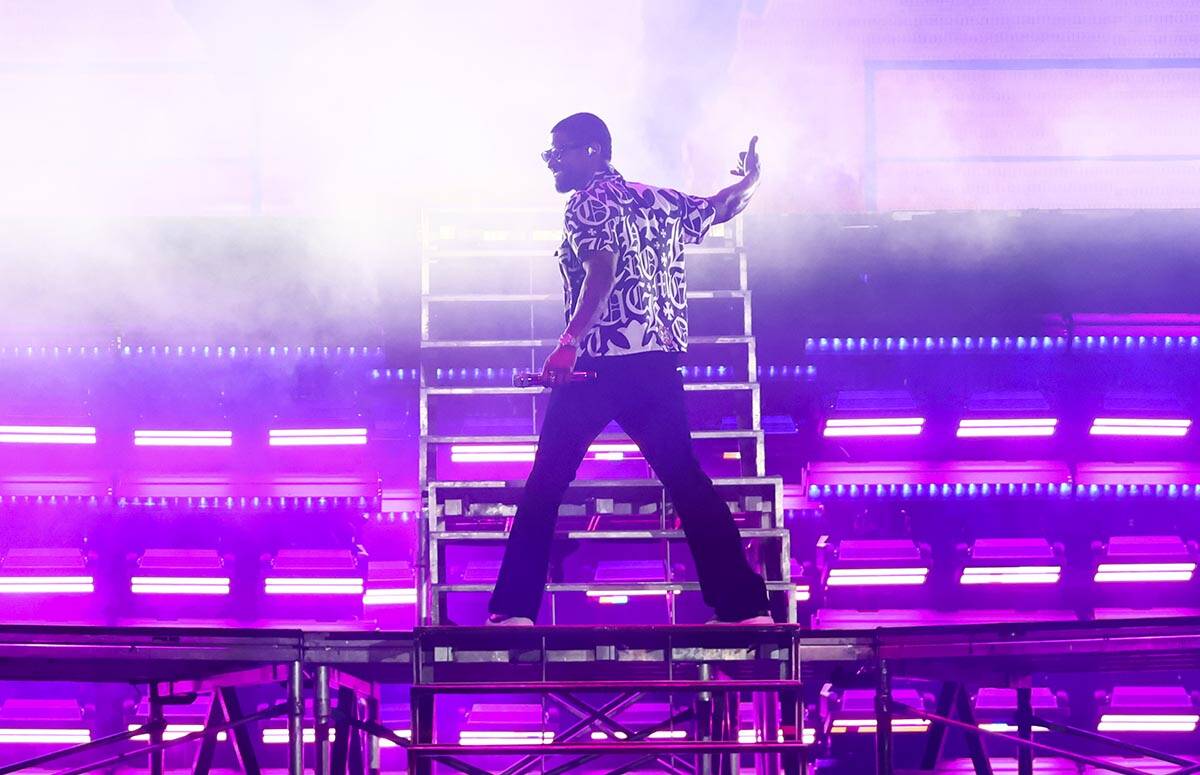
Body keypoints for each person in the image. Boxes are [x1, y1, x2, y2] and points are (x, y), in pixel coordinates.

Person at [487, 112, 770, 626]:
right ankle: (746, 607)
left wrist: (568, 343)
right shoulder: (656, 200)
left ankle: (512, 610)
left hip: (597, 366)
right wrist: (752, 179)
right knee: (686, 480)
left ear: (593, 150)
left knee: (546, 484)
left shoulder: (587, 201)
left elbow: (602, 270)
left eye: (559, 152)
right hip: (655, 367)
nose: (551, 162)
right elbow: (722, 207)